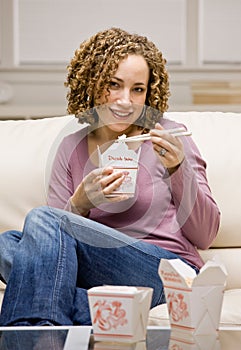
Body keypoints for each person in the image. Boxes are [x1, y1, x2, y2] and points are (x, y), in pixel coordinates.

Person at [0, 27, 220, 326]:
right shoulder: (72, 147)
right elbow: (55, 241)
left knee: (43, 220)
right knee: (8, 243)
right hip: (101, 271)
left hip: (165, 268)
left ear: (150, 92)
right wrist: (80, 203)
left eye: (137, 89)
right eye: (113, 85)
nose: (125, 101)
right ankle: (95, 307)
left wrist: (178, 169)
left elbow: (205, 236)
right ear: (93, 83)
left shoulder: (168, 137)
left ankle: (34, 334)